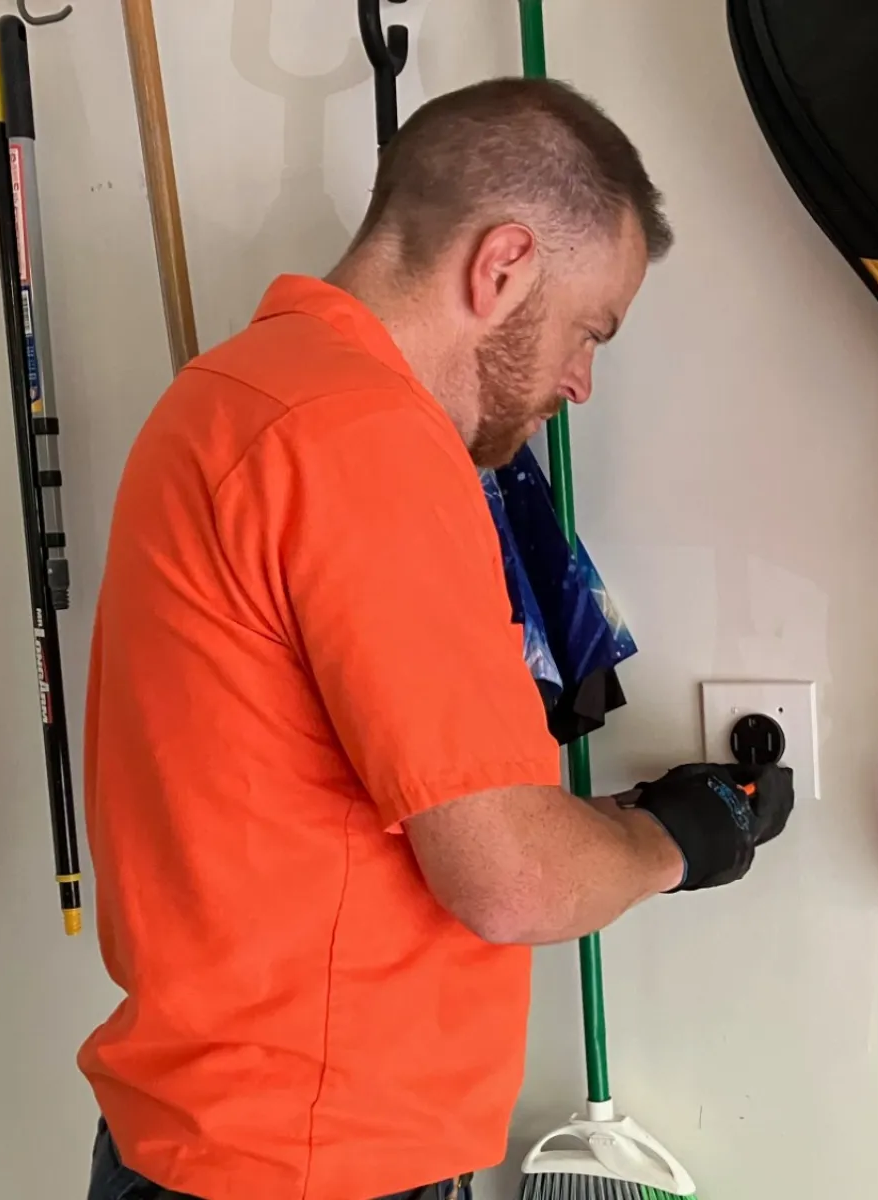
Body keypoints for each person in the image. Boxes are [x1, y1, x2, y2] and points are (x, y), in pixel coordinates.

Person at [80, 77, 793, 1200]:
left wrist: (604, 825)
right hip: (314, 1163)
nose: (580, 380)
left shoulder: (229, 395)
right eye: (586, 329)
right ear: (502, 265)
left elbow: (313, 795)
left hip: (203, 1139)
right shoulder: (367, 439)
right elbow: (505, 880)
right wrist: (680, 842)